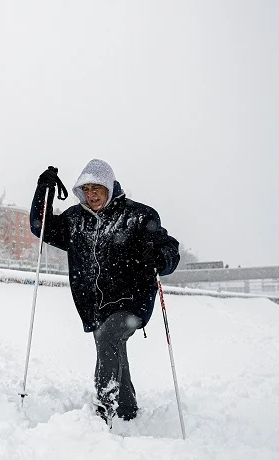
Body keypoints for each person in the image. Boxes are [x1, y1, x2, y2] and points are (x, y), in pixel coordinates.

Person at [30, 159, 180, 423]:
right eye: (86, 189)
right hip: (95, 306)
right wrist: (44, 190)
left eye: (97, 188)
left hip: (132, 301)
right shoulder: (75, 220)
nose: (91, 195)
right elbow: (40, 227)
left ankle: (104, 410)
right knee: (112, 347)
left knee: (109, 336)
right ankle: (127, 409)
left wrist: (161, 257)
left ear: (110, 186)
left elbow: (169, 247)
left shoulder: (139, 216)